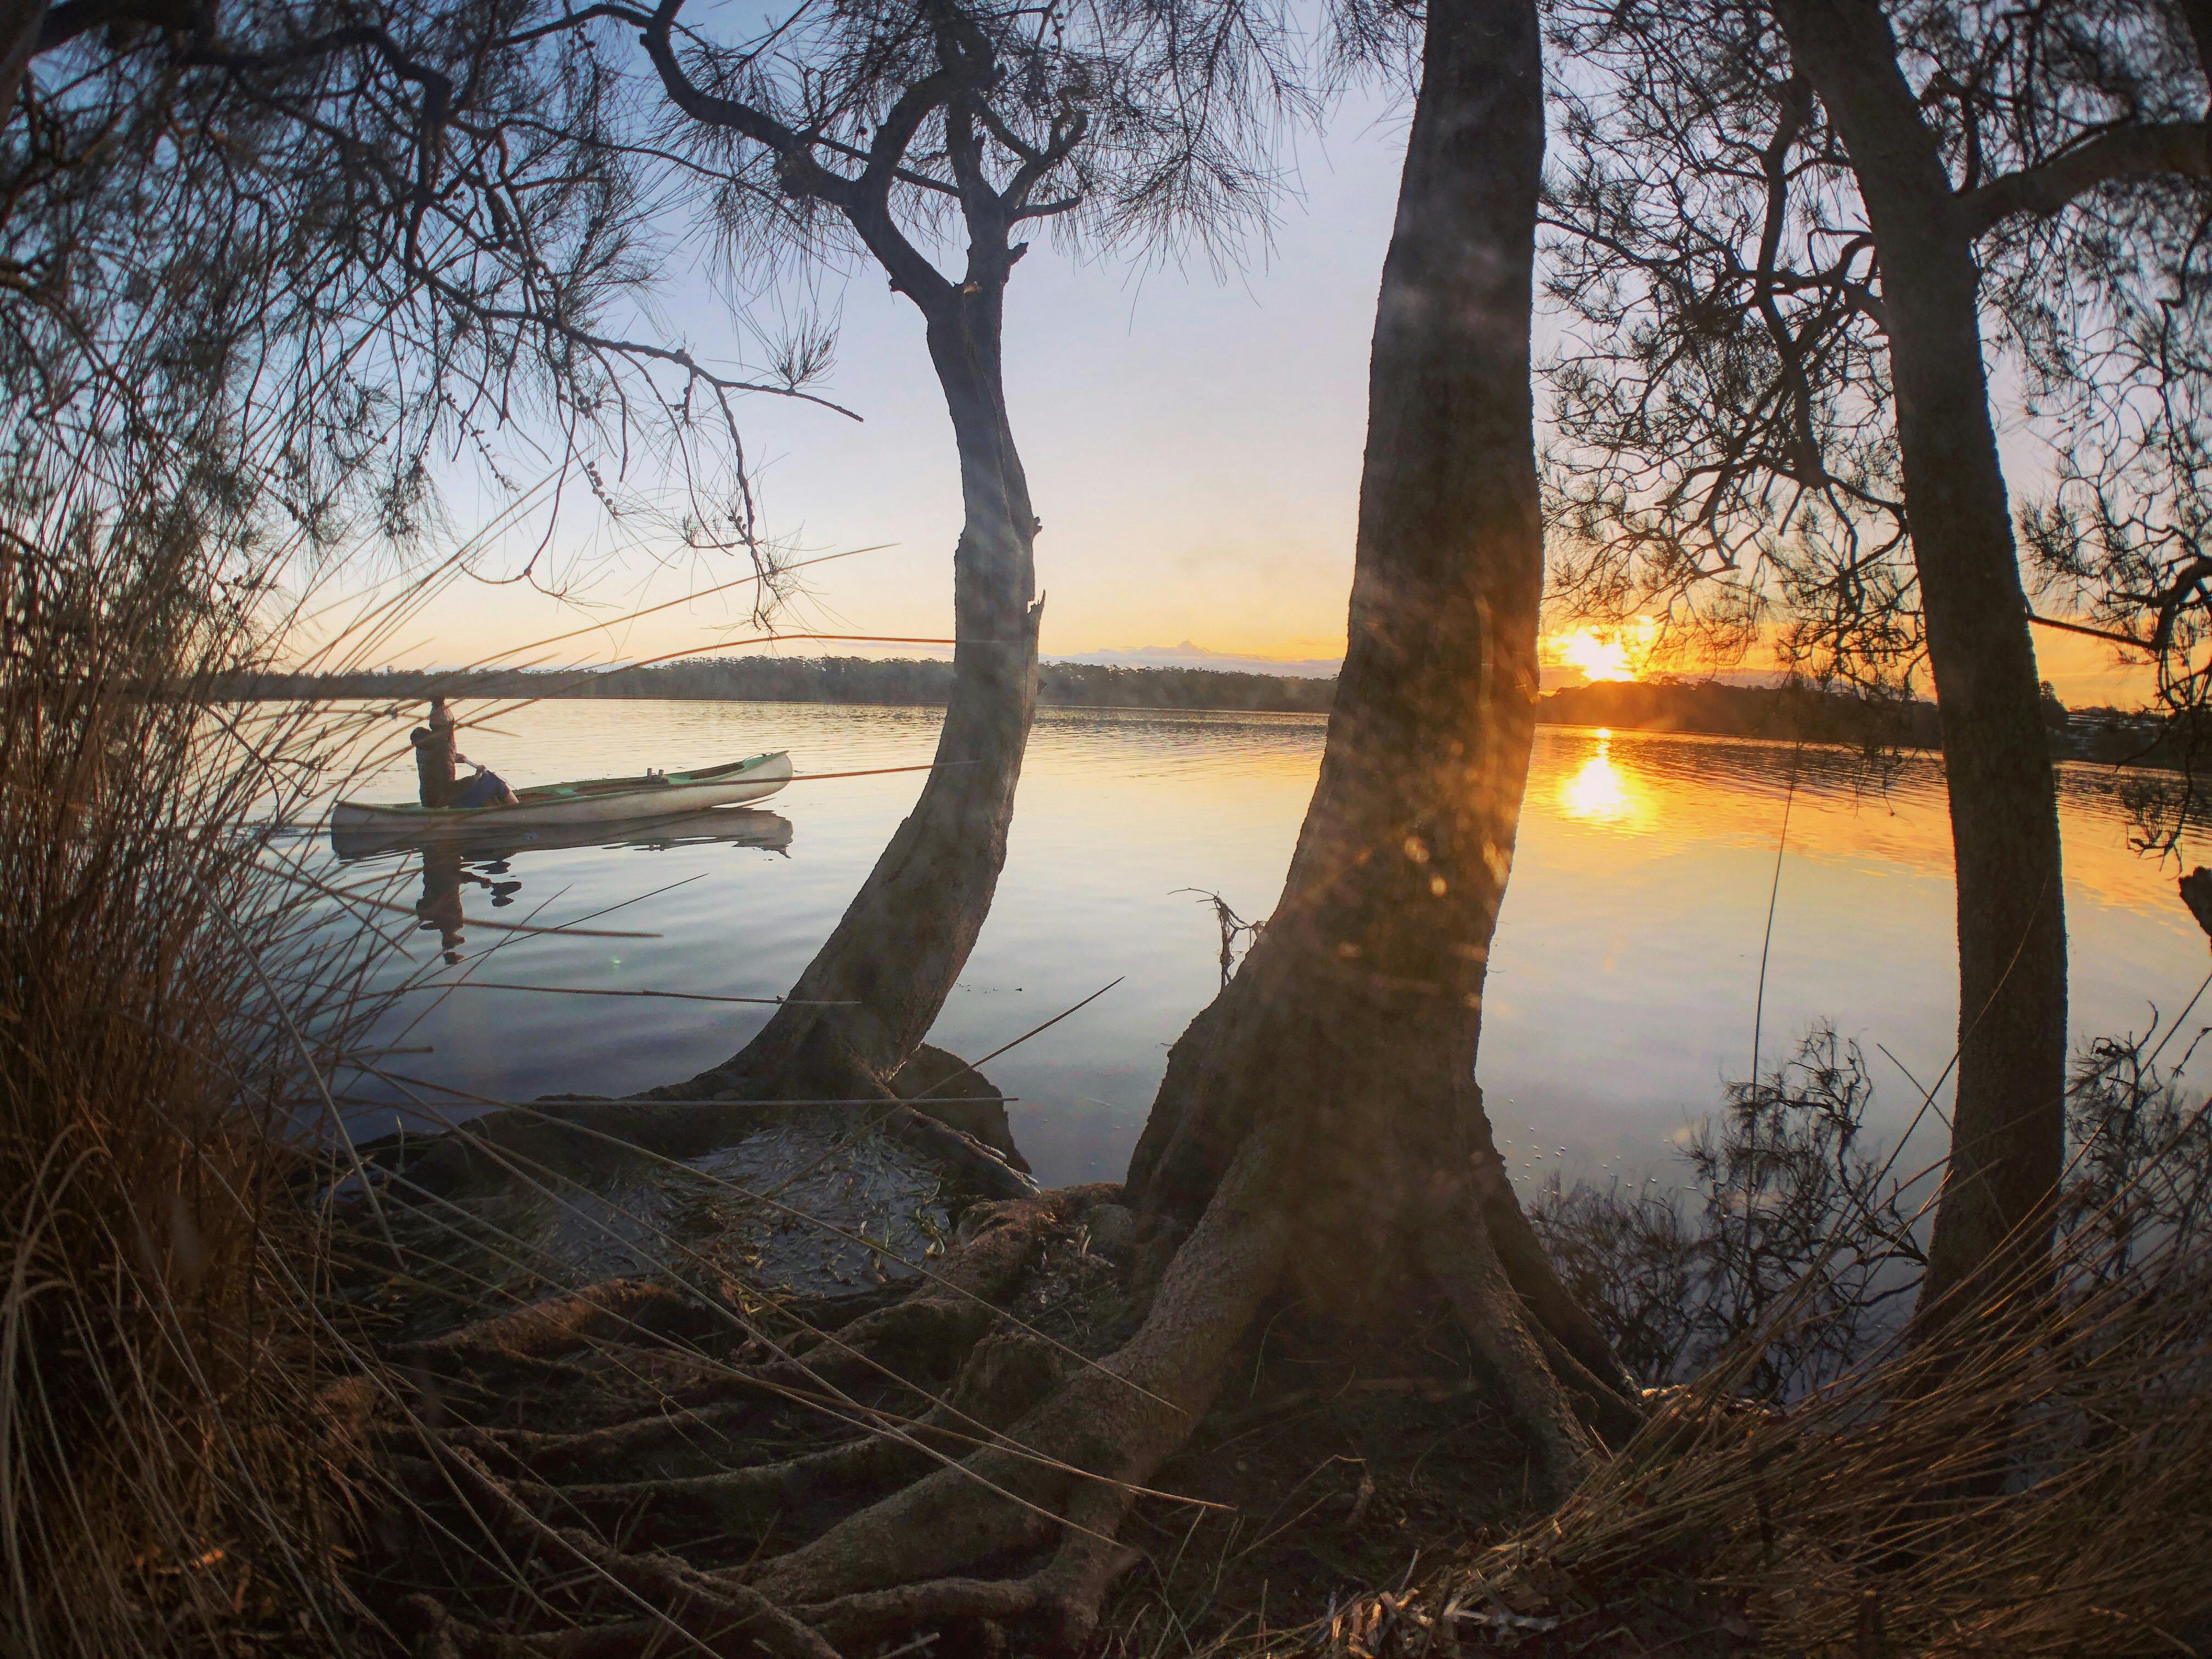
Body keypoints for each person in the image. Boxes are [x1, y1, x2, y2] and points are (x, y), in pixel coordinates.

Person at [410, 696, 517, 809]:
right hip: (444, 803)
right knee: (494, 781)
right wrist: (477, 776)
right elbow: (449, 787)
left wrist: (452, 757)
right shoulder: (442, 749)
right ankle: (516, 810)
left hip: (430, 801)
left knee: (487, 786)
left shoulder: (425, 748)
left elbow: (436, 764)